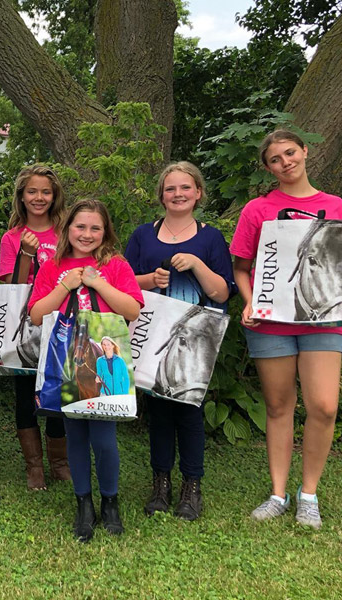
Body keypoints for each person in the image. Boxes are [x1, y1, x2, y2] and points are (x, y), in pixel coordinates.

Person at [230, 130, 342, 530]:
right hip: (271, 322)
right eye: (275, 159)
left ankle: (308, 495)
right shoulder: (257, 210)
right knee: (278, 406)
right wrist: (250, 302)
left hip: (324, 319)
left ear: (305, 151)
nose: (285, 162)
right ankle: (279, 494)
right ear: (268, 168)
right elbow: (241, 268)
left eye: (290, 153)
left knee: (324, 406)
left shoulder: (336, 207)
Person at [124, 161, 235, 521]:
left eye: (185, 187)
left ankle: (192, 486)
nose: (178, 194)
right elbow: (120, 283)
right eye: (170, 188)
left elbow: (223, 293)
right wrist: (149, 280)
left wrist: (198, 265)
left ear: (198, 193)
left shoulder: (210, 238)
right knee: (158, 411)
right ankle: (161, 484)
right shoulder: (143, 236)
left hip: (196, 340)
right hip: (151, 334)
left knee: (189, 411)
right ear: (161, 195)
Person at [29, 199, 143, 542]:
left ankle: (110, 500)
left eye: (96, 228)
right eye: (80, 226)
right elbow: (36, 315)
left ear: (106, 232)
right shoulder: (53, 266)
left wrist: (98, 284)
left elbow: (132, 310)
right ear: (67, 229)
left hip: (104, 359)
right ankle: (83, 503)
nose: (87, 234)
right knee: (75, 435)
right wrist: (65, 285)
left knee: (104, 439)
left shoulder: (115, 265)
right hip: (68, 360)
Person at [0, 165, 69, 490]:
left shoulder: (66, 232)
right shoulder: (12, 237)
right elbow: (11, 288)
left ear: (54, 196)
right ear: (22, 196)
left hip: (62, 320)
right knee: (26, 394)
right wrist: (26, 253)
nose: (39, 198)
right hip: (25, 325)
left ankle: (60, 463)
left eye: (45, 192)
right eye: (32, 191)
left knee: (58, 388)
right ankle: (34, 466)